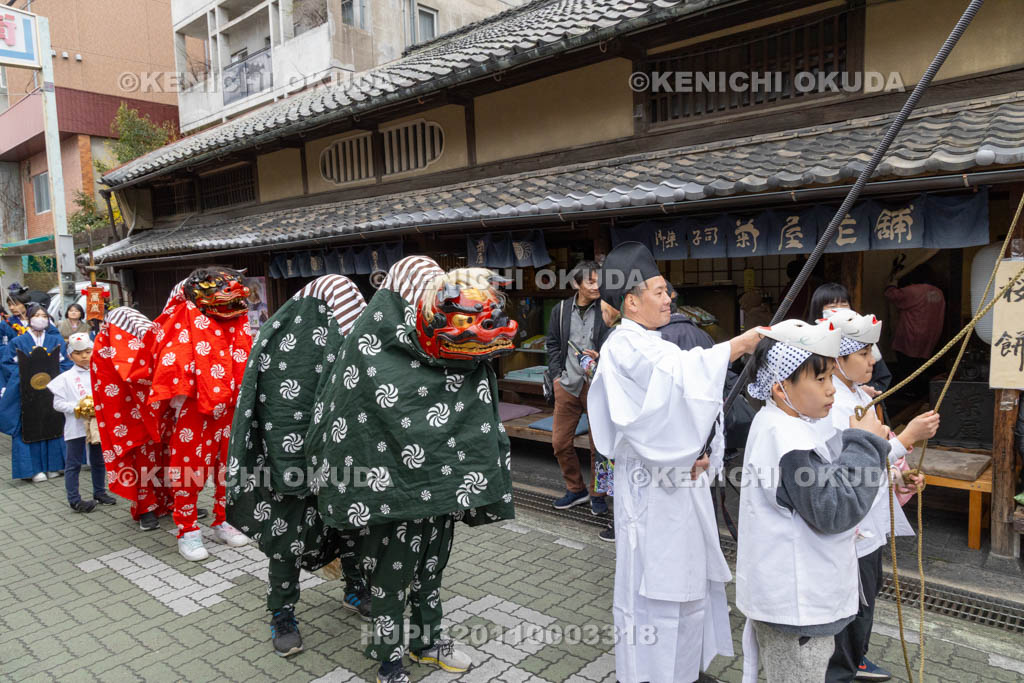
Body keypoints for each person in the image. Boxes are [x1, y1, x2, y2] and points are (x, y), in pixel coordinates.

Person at [306, 260, 518, 683]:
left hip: (441, 488)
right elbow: (349, 419)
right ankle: (388, 659)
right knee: (390, 575)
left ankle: (428, 642)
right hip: (389, 493)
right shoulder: (369, 345)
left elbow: (475, 408)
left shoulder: (454, 348)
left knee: (432, 568)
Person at [587, 242, 762, 683]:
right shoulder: (625, 346)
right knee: (656, 595)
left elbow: (689, 399)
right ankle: (653, 675)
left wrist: (701, 453)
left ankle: (684, 672)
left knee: (688, 590)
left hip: (681, 486)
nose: (670, 299)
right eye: (660, 292)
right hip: (652, 494)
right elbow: (678, 382)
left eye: (668, 291)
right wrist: (739, 344)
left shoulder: (652, 343)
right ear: (631, 300)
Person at [736, 319, 891, 683]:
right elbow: (835, 509)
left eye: (829, 378)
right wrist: (866, 443)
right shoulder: (787, 438)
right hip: (796, 611)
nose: (831, 391)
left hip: (797, 603)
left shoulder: (789, 422)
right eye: (819, 380)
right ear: (779, 387)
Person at [226, 274, 373, 657]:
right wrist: (289, 467)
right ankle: (282, 613)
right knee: (287, 536)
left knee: (352, 524)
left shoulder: (346, 338)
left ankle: (356, 589)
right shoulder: (286, 346)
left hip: (343, 457)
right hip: (289, 459)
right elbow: (279, 410)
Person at [822, 310, 935, 683]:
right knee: (854, 601)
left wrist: (899, 476)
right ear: (839, 360)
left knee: (867, 594)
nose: (874, 361)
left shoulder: (855, 394)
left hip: (867, 518)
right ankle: (844, 668)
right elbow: (850, 461)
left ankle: (855, 661)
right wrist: (906, 439)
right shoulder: (831, 401)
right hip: (851, 524)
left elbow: (870, 457)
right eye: (865, 353)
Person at [145, 269, 253, 561]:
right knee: (188, 470)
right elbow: (170, 362)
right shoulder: (183, 319)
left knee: (229, 467)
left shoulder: (240, 322)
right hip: (194, 409)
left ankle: (223, 519)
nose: (228, 298)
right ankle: (187, 529)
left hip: (231, 406)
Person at [92, 307, 175, 531]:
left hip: (157, 408)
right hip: (129, 413)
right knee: (141, 460)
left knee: (167, 457)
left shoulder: (143, 337)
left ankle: (171, 501)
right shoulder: (106, 344)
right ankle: (146, 508)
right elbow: (114, 379)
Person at [544, 260, 612, 513]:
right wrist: (556, 377)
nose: (596, 286)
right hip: (568, 385)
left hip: (598, 386)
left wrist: (602, 357)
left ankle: (599, 494)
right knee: (560, 443)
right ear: (576, 283)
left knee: (601, 446)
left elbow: (618, 343)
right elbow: (552, 344)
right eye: (591, 281)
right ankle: (575, 489)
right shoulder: (560, 310)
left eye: (599, 281)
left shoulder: (607, 310)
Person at [47, 332, 117, 512]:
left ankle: (100, 492)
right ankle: (74, 499)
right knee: (74, 463)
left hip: (97, 425)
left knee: (99, 459)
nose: (84, 356)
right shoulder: (65, 378)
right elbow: (57, 404)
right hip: (76, 424)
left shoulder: (101, 373)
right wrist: (78, 407)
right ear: (70, 355)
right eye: (78, 353)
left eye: (87, 351)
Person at [0, 304, 70, 481]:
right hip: (27, 393)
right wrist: (26, 374)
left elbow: (66, 365)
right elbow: (8, 365)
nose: (41, 318)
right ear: (29, 319)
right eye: (37, 315)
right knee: (29, 427)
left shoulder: (56, 341)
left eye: (44, 316)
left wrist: (53, 375)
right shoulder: (18, 342)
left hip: (51, 391)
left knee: (53, 424)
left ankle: (55, 466)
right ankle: (32, 469)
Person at [808, 282, 892, 396]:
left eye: (844, 305)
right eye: (832, 307)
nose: (839, 310)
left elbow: (882, 377)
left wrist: (864, 390)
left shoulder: (863, 338)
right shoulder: (808, 343)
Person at [884, 268, 946, 395]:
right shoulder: (938, 292)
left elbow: (891, 295)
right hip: (931, 334)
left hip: (911, 333)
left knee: (907, 366)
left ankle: (907, 392)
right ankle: (920, 392)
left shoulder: (914, 290)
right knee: (921, 365)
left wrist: (891, 283)